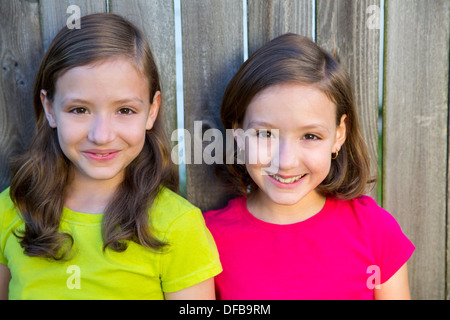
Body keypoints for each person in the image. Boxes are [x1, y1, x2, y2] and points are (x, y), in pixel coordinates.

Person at [0, 13, 221, 300]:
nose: (101, 135)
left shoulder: (177, 226)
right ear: (50, 108)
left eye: (125, 110)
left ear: (151, 110)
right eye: (79, 110)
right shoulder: (11, 211)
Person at [204, 33, 414, 300]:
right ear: (237, 133)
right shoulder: (208, 240)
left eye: (310, 136)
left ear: (339, 135)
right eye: (265, 134)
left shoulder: (376, 232)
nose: (287, 161)